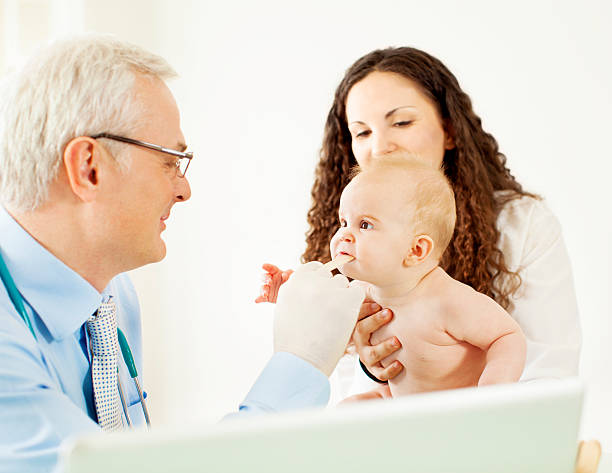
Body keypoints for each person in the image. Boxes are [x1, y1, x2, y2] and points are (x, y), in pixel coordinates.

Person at [0, 35, 365, 471]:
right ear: (88, 168)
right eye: (171, 160)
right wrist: (301, 360)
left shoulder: (111, 298)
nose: (184, 188)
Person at [264, 46, 581, 401]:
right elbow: (337, 365)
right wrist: (375, 364)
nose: (381, 147)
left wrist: (471, 390)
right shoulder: (350, 238)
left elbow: (550, 370)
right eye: (362, 132)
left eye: (401, 122)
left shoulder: (520, 224)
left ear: (449, 130)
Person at [329, 158, 526, 400]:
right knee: (352, 408)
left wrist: (492, 390)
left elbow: (506, 336)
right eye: (344, 222)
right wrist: (287, 288)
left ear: (416, 251)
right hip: (408, 409)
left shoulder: (447, 300)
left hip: (459, 413)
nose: (344, 235)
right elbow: (319, 311)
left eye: (365, 225)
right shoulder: (363, 292)